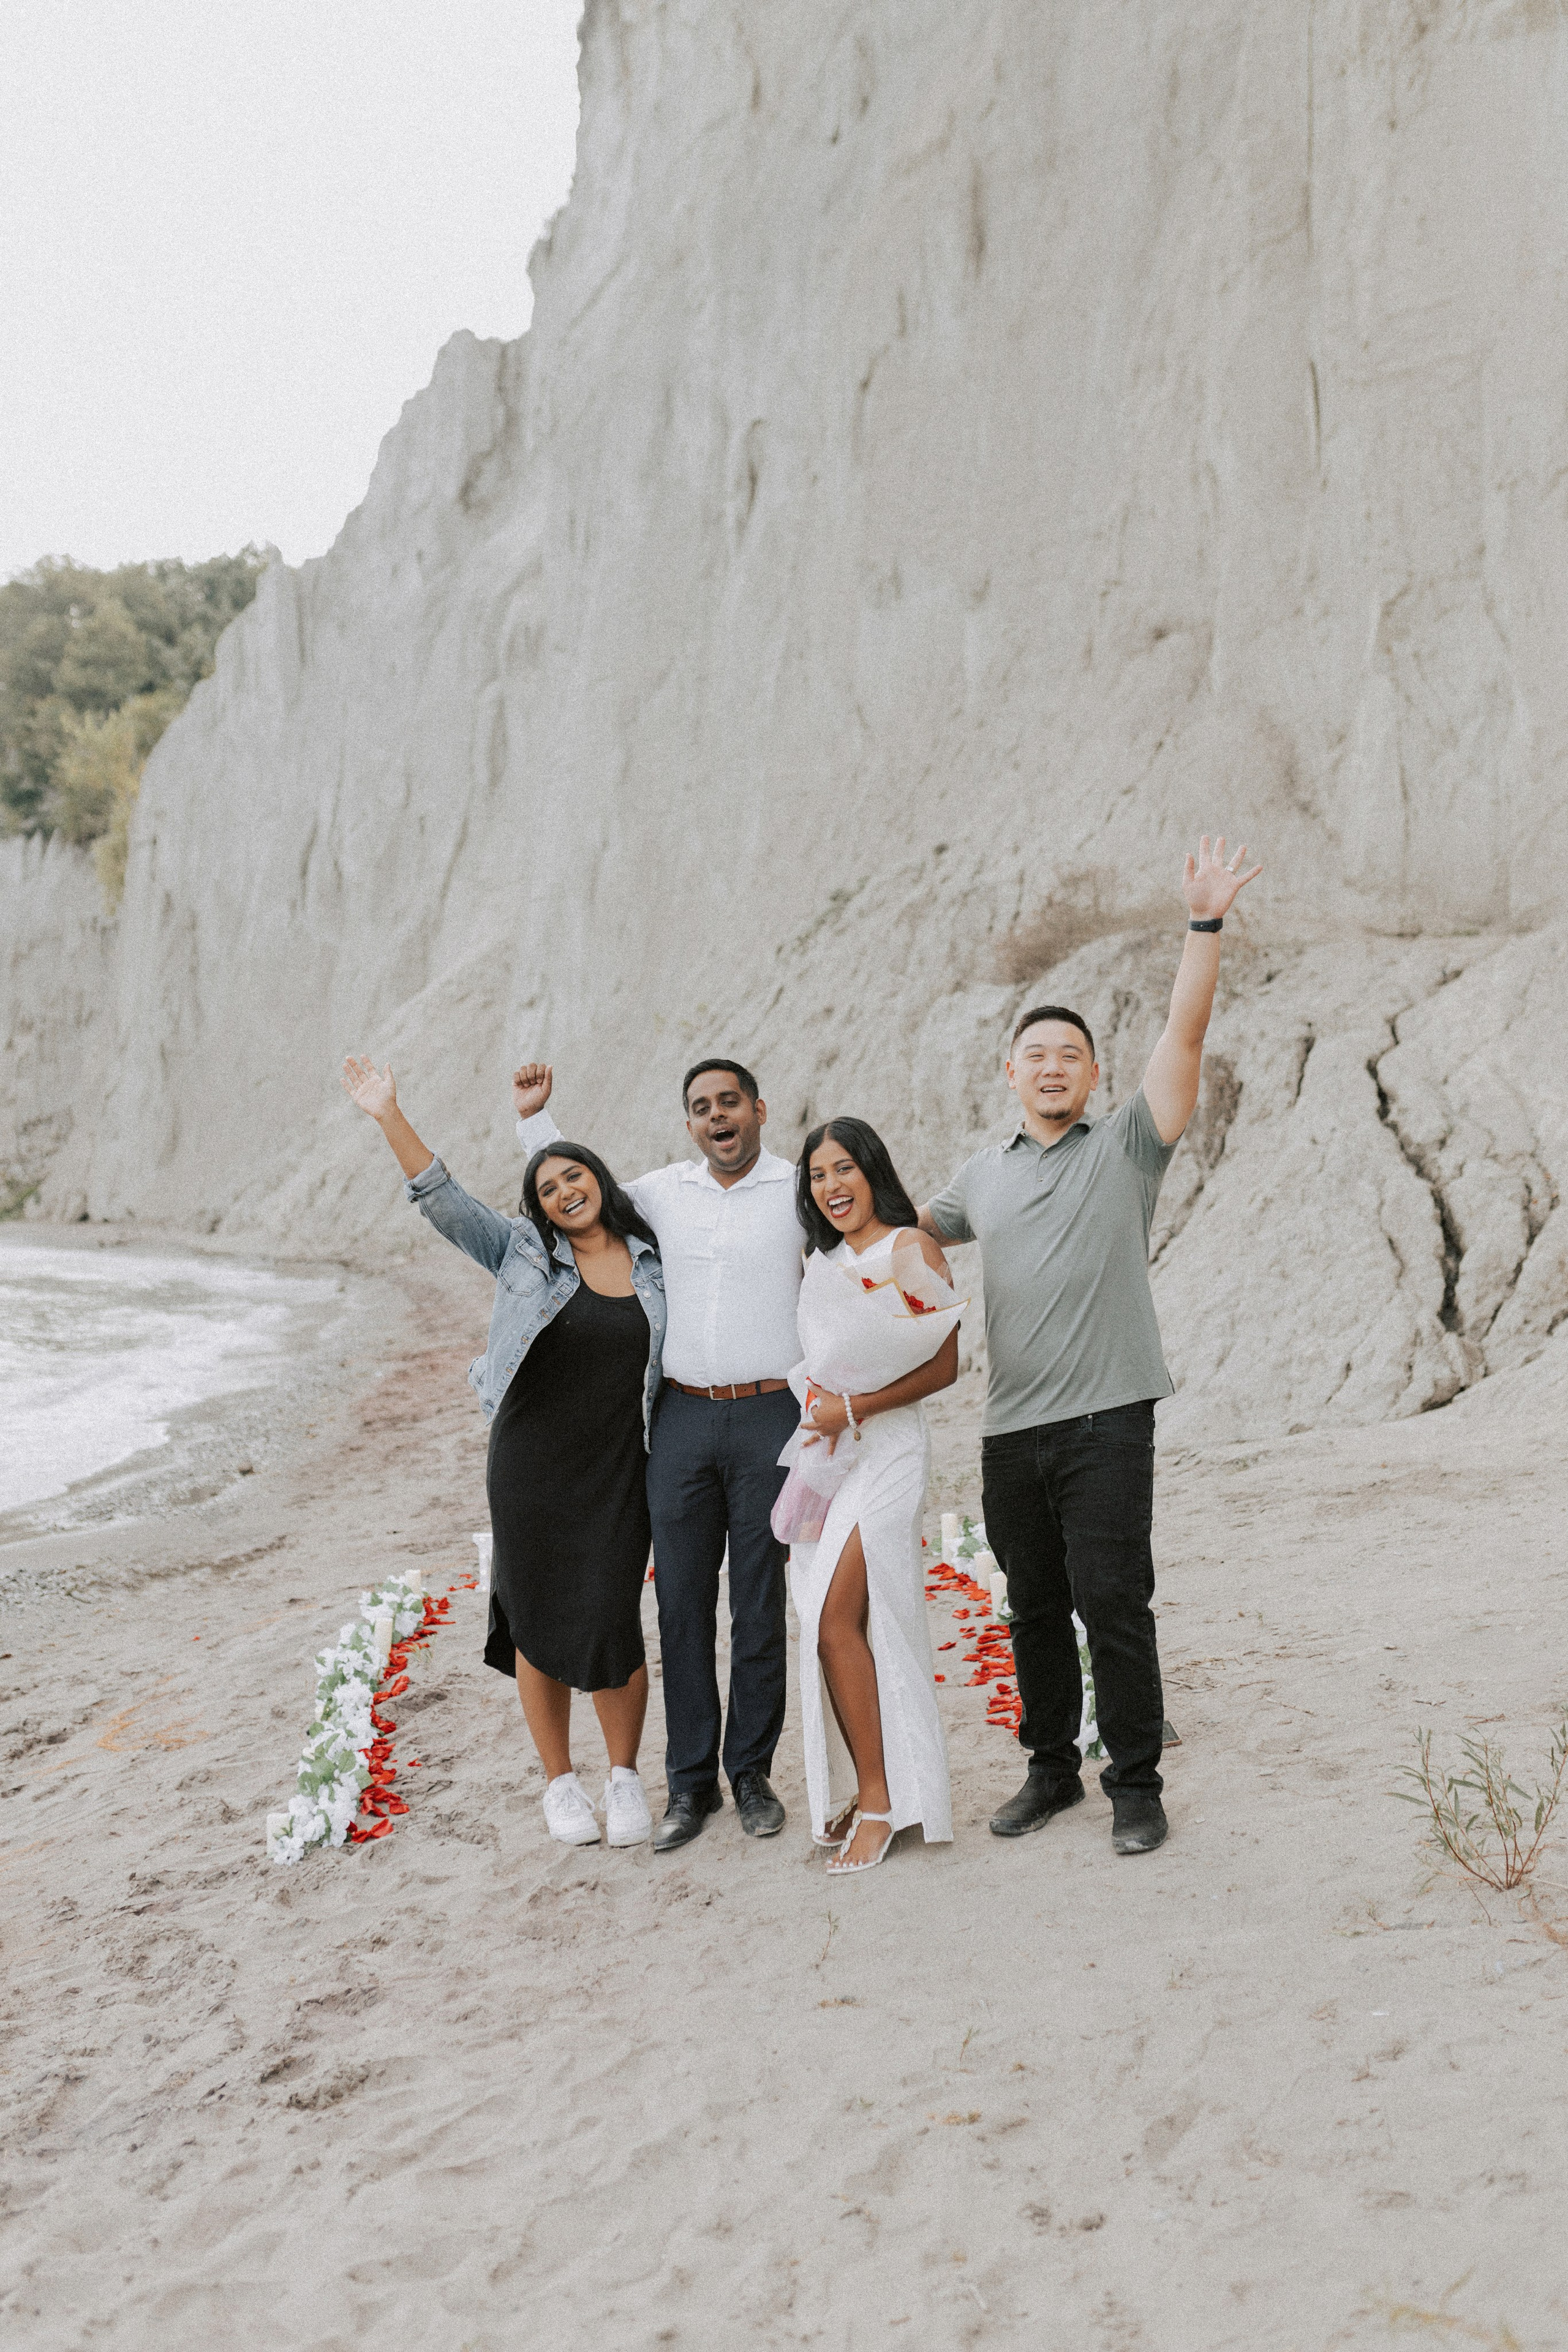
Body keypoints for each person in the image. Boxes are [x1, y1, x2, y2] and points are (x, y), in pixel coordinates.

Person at [919, 835, 1262, 1858]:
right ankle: (1050, 1773)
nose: (1054, 1066)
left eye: (1071, 1053)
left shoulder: (1127, 1146)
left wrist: (1204, 923)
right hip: (1010, 1430)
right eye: (1037, 1054)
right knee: (1031, 1609)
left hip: (1109, 1420)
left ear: (1094, 1071)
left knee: (1114, 1600)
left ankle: (1137, 1784)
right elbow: (887, 1237)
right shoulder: (979, 1177)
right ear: (1011, 1072)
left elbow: (1186, 1037)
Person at [340, 1055, 667, 1851]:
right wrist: (390, 1114)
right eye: (548, 1188)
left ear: (600, 1180)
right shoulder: (520, 1253)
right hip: (529, 1464)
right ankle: (561, 1783)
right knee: (538, 1621)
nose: (563, 1191)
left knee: (612, 1617)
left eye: (574, 1177)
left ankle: (623, 1778)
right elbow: (441, 1201)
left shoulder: (656, 1258)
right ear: (540, 1208)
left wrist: (538, 1122)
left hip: (620, 1465)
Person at [511, 1057, 803, 1853]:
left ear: (758, 1109)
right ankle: (689, 1786)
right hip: (677, 1421)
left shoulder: (797, 1188)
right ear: (690, 1124)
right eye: (702, 1107)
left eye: (730, 1103)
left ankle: (750, 1774)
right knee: (677, 1604)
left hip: (771, 1415)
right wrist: (537, 1120)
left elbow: (862, 1239)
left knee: (756, 1604)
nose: (718, 1116)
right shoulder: (664, 1192)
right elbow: (580, 1192)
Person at [786, 1118, 962, 1873]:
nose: (832, 1187)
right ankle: (874, 1789)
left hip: (888, 1453)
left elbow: (947, 1363)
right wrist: (823, 1398)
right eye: (819, 1175)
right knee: (844, 1621)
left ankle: (882, 1803)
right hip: (834, 1454)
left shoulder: (909, 1248)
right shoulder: (821, 1261)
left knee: (836, 1619)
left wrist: (853, 1408)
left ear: (872, 1171)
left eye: (844, 1169)